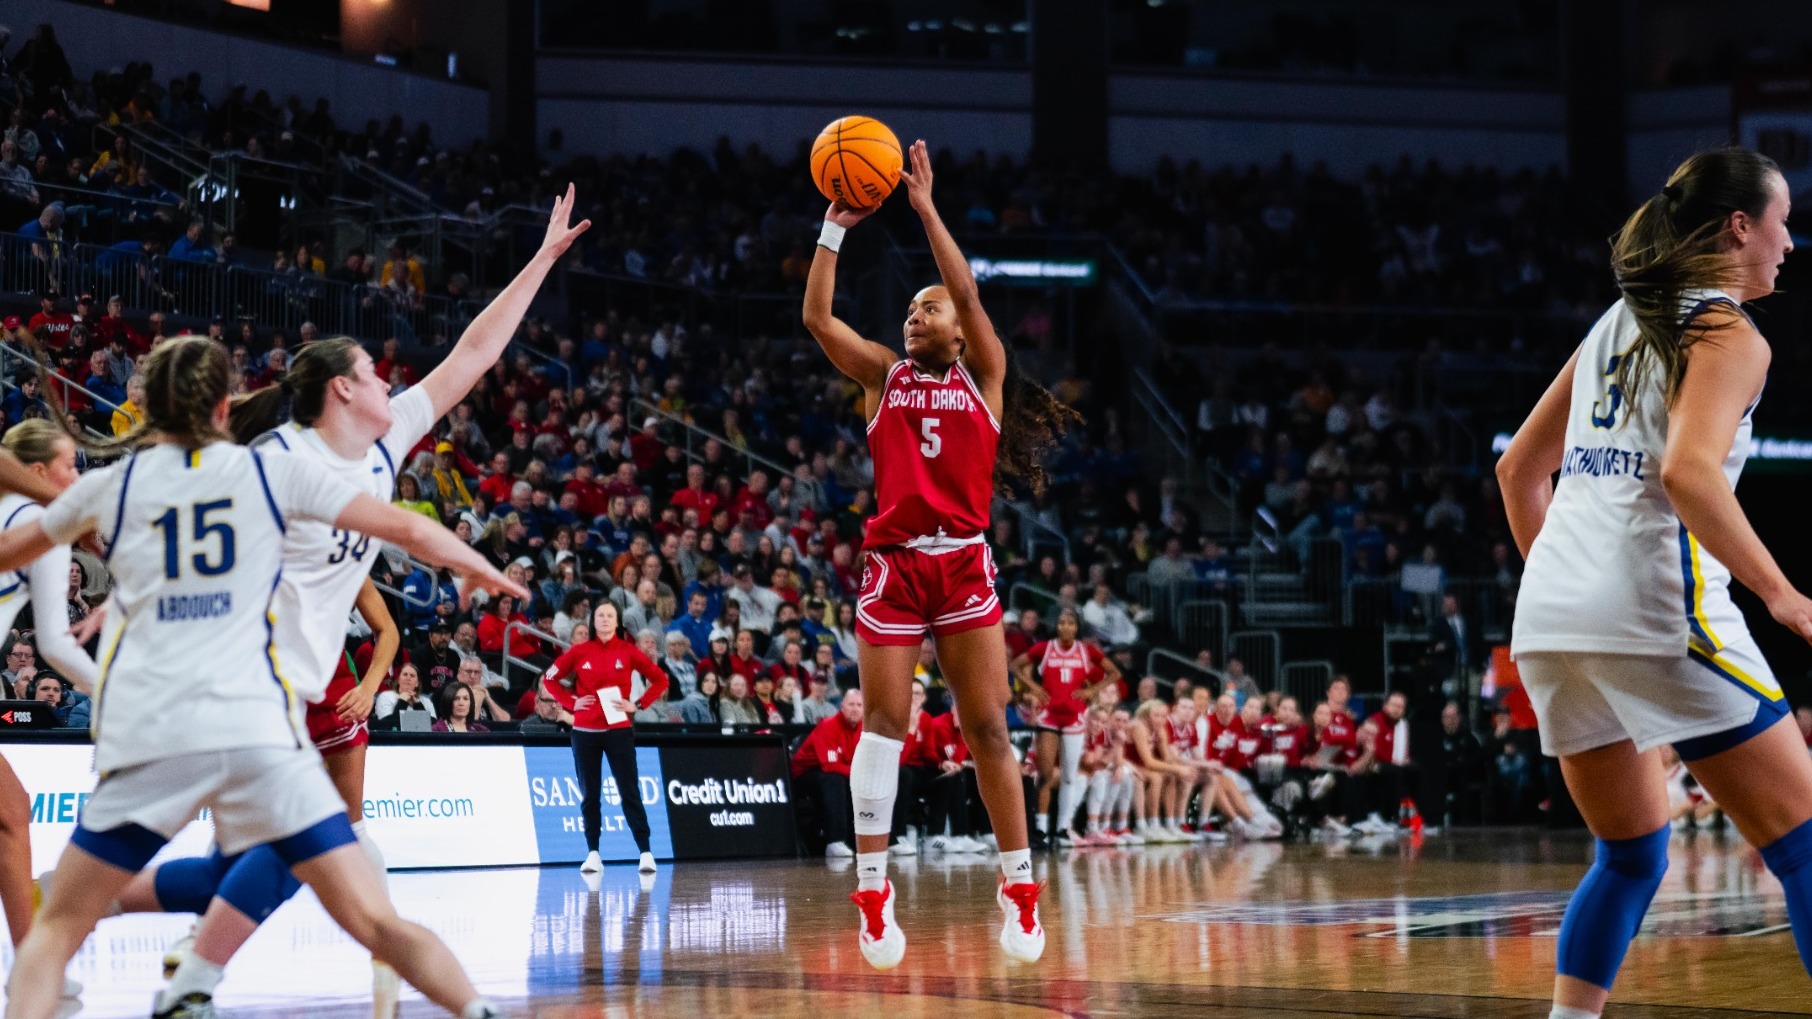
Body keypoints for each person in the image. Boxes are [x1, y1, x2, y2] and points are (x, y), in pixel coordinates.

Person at [100, 184, 588, 1019]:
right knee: (327, 861)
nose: (384, 376)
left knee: (262, 865)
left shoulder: (382, 433)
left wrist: (539, 260)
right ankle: (184, 977)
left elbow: (472, 355)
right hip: (241, 692)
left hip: (285, 689)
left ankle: (77, 906)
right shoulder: (275, 462)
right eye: (367, 370)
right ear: (337, 392)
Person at [0, 336, 522, 1019]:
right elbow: (408, 530)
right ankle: (479, 1010)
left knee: (54, 930)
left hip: (152, 731)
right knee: (376, 921)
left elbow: (13, 550)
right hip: (256, 728)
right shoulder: (270, 473)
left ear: (146, 405)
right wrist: (479, 567)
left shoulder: (109, 486)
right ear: (224, 404)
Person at [1496, 147, 1812, 1019]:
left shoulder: (1617, 321)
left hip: (1552, 619)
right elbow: (1688, 473)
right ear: (1740, 226)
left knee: (1631, 854)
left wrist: (1572, 594)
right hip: (1653, 605)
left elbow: (1519, 470)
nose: (1790, 242)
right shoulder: (1727, 331)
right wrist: (1785, 596)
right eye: (1781, 222)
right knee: (1805, 844)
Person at [803, 138, 1077, 969]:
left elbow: (964, 285)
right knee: (886, 725)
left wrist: (924, 210)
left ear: (960, 332)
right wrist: (832, 227)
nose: (915, 315)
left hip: (961, 562)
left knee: (989, 724)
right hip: (893, 567)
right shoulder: (883, 377)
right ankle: (874, 892)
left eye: (929, 309)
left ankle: (1020, 886)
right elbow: (817, 318)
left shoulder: (984, 374)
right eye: (911, 310)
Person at [0, 422, 96, 996]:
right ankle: (35, 973)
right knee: (11, 813)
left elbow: (55, 645)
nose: (78, 479)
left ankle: (32, 970)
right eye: (69, 467)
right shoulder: (42, 524)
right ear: (39, 474)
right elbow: (57, 646)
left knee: (12, 811)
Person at [539, 601, 668, 875]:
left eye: (610, 615)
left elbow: (660, 680)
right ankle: (593, 853)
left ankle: (645, 852)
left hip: (618, 730)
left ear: (618, 621)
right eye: (600, 615)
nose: (605, 620)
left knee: (629, 791)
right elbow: (549, 679)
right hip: (585, 732)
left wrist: (639, 704)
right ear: (593, 621)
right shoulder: (579, 651)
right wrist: (571, 701)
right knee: (590, 795)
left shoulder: (628, 650)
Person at [1011, 607, 1118, 848]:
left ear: (1077, 627)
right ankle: (1040, 829)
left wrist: (1092, 690)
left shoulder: (1086, 650)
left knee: (1070, 776)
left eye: (1070, 623)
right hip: (1049, 717)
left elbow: (1114, 672)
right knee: (1045, 774)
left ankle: (1061, 828)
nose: (1065, 627)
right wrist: (1034, 687)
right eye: (1061, 623)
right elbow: (1016, 666)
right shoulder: (1045, 648)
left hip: (1074, 717)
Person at [792, 689, 865, 856]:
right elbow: (829, 766)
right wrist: (859, 774)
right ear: (842, 707)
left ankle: (884, 839)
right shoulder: (828, 725)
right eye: (851, 704)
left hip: (836, 772)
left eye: (859, 705)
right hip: (804, 773)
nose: (855, 709)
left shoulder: (863, 729)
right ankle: (835, 841)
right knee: (834, 780)